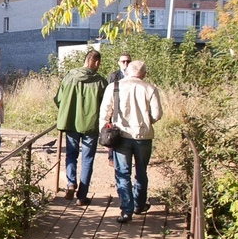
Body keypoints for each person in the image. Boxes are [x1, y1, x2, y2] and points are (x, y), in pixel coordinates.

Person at [99, 60, 163, 223]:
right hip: (143, 136)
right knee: (141, 171)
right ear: (144, 74)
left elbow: (105, 112)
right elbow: (157, 114)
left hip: (121, 136)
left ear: (126, 71)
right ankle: (139, 205)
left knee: (122, 173)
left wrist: (105, 132)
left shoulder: (113, 87)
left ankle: (126, 210)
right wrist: (146, 122)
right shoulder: (150, 88)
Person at [54, 49, 107, 205]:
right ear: (96, 62)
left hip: (71, 123)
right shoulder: (101, 82)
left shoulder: (69, 77)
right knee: (87, 159)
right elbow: (106, 105)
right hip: (91, 125)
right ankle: (82, 196)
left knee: (71, 154)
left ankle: (71, 183)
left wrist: (69, 111)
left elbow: (58, 99)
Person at [106, 53, 131, 166]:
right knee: (113, 133)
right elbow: (109, 93)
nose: (126, 63)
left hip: (129, 109)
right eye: (123, 61)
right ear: (119, 63)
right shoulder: (114, 76)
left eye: (128, 61)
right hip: (116, 108)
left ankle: (126, 157)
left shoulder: (134, 75)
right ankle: (111, 157)